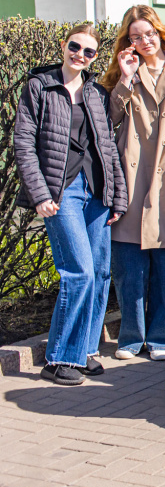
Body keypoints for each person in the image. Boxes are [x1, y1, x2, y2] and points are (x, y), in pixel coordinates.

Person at [14, 24, 127, 385]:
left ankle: (84, 351)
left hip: (96, 192)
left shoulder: (95, 92)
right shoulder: (40, 86)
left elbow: (107, 146)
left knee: (100, 272)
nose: (80, 54)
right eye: (75, 47)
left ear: (95, 57)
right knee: (78, 272)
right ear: (64, 46)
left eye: (89, 51)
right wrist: (41, 194)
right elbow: (24, 144)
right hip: (61, 193)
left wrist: (118, 196)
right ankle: (58, 357)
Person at [101, 5, 165, 361]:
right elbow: (109, 118)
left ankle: (162, 335)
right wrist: (126, 78)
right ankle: (131, 336)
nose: (143, 41)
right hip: (129, 174)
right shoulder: (123, 73)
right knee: (129, 262)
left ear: (160, 32)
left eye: (148, 34)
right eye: (134, 37)